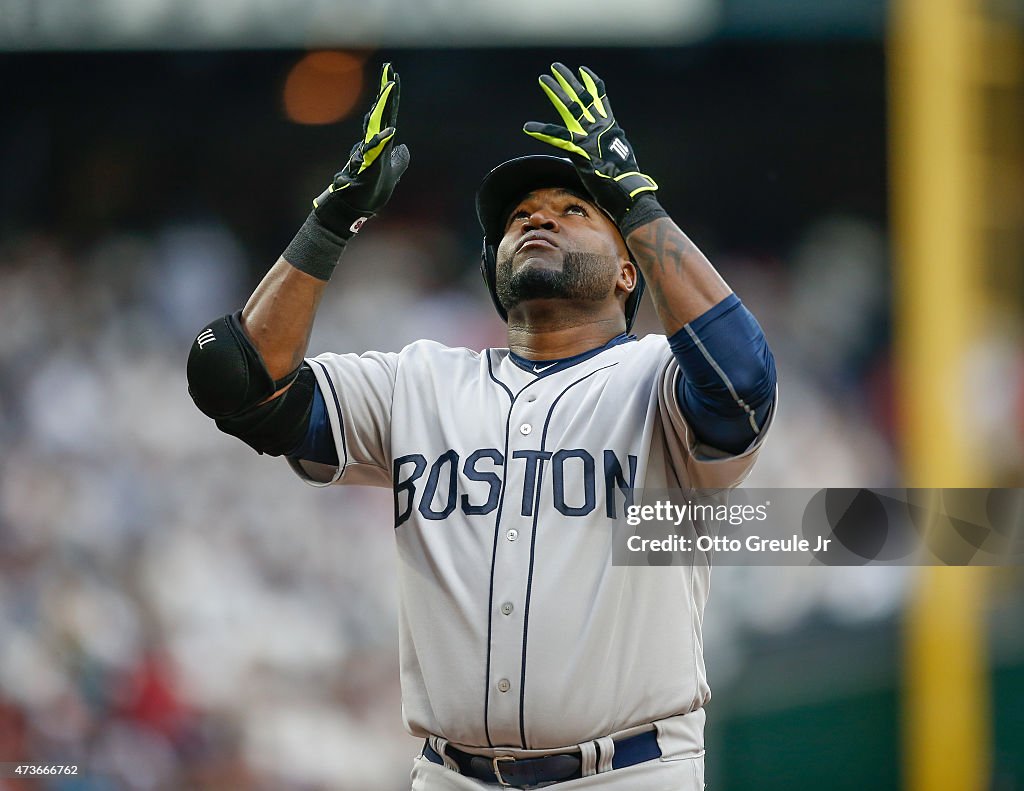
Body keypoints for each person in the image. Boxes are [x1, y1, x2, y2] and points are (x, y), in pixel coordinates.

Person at [187, 61, 777, 790]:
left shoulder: (660, 381)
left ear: (630, 270)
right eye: (519, 217)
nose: (537, 217)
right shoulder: (421, 381)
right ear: (493, 269)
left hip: (627, 773)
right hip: (450, 776)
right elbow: (241, 385)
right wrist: (330, 221)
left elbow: (744, 384)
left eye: (573, 210)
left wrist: (636, 200)